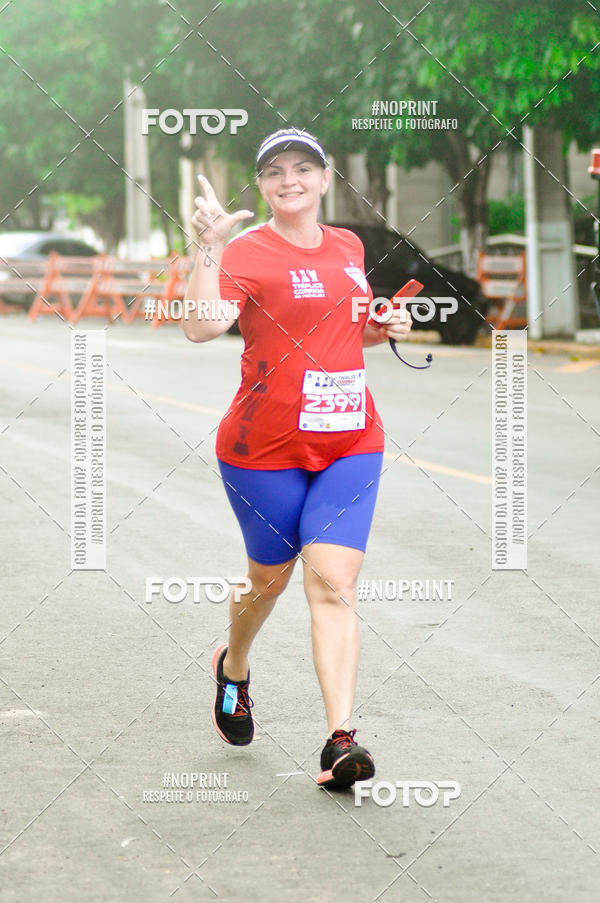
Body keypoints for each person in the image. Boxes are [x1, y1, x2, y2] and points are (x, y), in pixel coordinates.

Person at [183, 128, 412, 789]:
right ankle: (234, 666)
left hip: (349, 442)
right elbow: (200, 324)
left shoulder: (349, 245)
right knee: (268, 582)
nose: (291, 179)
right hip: (264, 452)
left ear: (323, 178)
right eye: (277, 170)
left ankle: (341, 741)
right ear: (262, 184)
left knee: (334, 584)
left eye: (303, 168)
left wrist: (385, 325)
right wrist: (206, 245)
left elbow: (346, 325)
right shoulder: (246, 252)